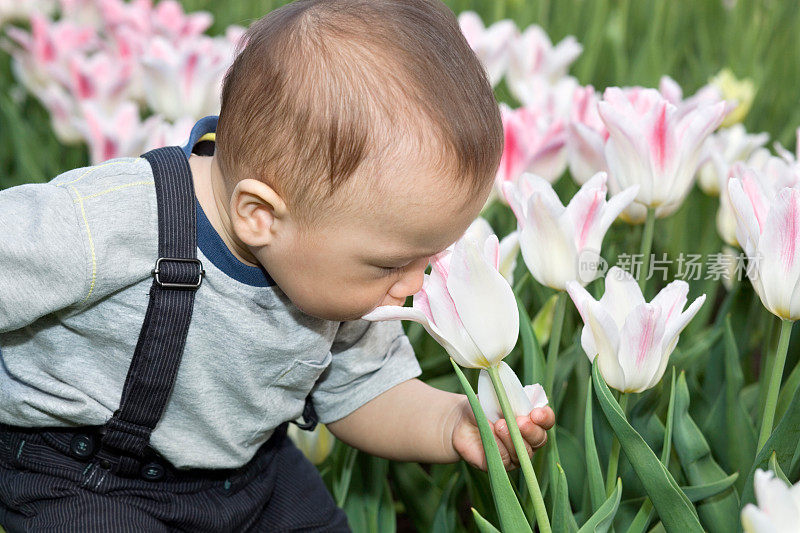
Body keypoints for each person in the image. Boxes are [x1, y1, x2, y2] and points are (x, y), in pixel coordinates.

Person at [0, 0, 555, 530]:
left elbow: (367, 390)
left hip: (249, 473)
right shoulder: (111, 221)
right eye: (392, 263)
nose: (413, 284)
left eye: (428, 258)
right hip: (84, 476)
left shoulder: (337, 277)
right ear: (260, 215)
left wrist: (452, 424)